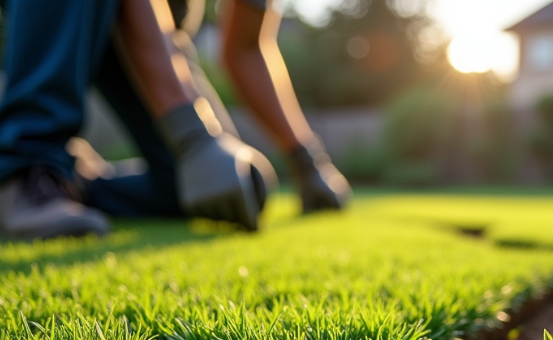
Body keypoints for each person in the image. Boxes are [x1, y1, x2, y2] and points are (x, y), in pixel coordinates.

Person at [0, 0, 349, 240]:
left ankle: (71, 183)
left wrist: (308, 160)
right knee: (198, 154)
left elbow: (246, 48)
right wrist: (190, 133)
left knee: (210, 189)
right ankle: (28, 166)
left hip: (161, 38)